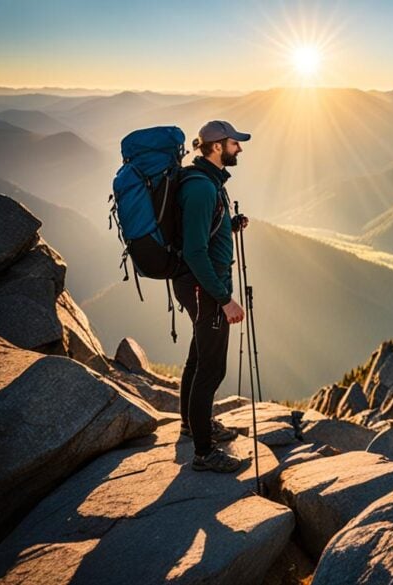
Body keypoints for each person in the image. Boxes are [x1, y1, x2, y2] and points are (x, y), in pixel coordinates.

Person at [173, 120, 251, 473]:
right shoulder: (203, 188)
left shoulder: (205, 181)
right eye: (235, 143)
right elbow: (194, 251)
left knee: (197, 357)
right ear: (217, 146)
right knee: (211, 369)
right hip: (206, 288)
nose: (240, 149)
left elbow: (202, 231)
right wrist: (224, 299)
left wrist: (229, 226)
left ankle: (192, 426)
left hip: (196, 286)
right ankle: (204, 453)